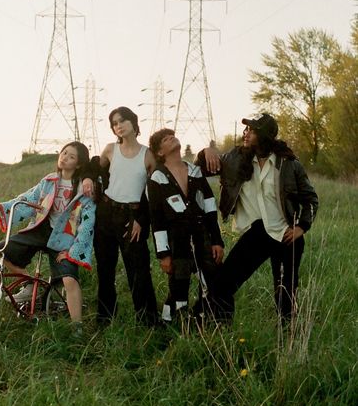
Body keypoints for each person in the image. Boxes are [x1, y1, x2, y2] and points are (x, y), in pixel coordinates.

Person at [195, 113, 319, 323]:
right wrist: (206, 151)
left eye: (251, 130)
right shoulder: (235, 159)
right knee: (224, 284)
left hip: (287, 235)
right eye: (246, 129)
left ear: (264, 135)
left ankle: (287, 339)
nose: (245, 133)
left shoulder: (289, 164)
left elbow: (311, 199)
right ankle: (211, 327)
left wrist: (302, 227)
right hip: (259, 232)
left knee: (285, 295)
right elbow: (199, 169)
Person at [0, 141, 96, 330]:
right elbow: (26, 200)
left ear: (79, 164)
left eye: (71, 156)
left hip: (65, 238)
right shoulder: (49, 181)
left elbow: (87, 225)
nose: (64, 157)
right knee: (2, 249)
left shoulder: (84, 190)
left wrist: (72, 252)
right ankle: (31, 284)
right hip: (41, 229)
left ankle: (77, 327)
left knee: (69, 279)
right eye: (64, 153)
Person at [147, 128, 224, 324]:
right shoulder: (157, 178)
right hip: (176, 238)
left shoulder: (195, 171)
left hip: (202, 235)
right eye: (165, 139)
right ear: (160, 152)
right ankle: (172, 324)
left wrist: (217, 240)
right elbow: (157, 219)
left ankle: (203, 319)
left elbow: (209, 207)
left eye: (171, 135)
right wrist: (163, 253)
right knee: (179, 284)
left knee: (212, 279)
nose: (171, 137)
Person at [91, 106, 158, 325]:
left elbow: (155, 193)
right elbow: (95, 169)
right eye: (114, 123)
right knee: (105, 268)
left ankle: (148, 321)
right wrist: (88, 180)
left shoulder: (147, 155)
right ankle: (105, 318)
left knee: (138, 270)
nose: (118, 126)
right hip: (106, 213)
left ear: (133, 122)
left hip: (132, 216)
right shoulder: (110, 150)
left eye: (122, 121)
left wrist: (141, 219)